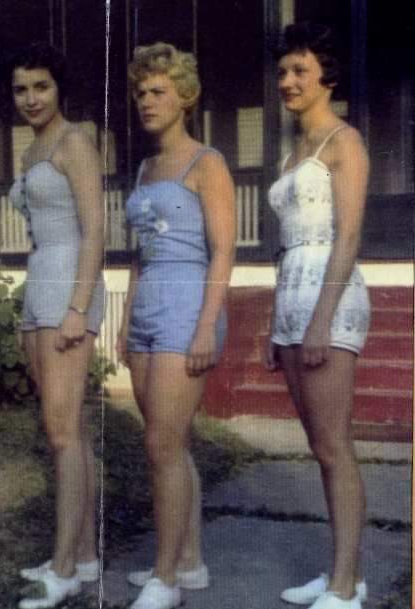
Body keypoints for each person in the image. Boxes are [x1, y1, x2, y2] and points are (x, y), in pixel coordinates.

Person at [116, 42, 236, 609]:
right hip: (146, 313)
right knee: (169, 444)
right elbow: (139, 254)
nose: (147, 100)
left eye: (158, 91)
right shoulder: (145, 166)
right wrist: (124, 322)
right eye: (141, 92)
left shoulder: (206, 162)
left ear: (184, 97)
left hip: (188, 306)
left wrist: (205, 325)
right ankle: (188, 562)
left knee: (161, 443)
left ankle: (162, 579)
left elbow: (224, 250)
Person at [263, 22, 371, 609]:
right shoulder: (291, 152)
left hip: (331, 297)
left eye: (300, 70)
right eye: (283, 71)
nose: (288, 80)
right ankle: (343, 574)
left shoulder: (344, 142)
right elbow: (287, 244)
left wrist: (321, 319)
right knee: (320, 446)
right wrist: (276, 325)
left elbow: (348, 235)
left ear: (327, 76)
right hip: (293, 297)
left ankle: (345, 588)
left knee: (334, 446)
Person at [5, 42, 106, 609]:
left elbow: (94, 232)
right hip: (41, 284)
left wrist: (76, 307)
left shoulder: (75, 143)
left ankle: (65, 568)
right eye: (21, 89)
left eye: (40, 87)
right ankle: (84, 554)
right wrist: (28, 314)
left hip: (71, 284)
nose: (30, 99)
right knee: (66, 431)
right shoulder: (30, 152)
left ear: (58, 88)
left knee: (63, 432)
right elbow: (37, 237)